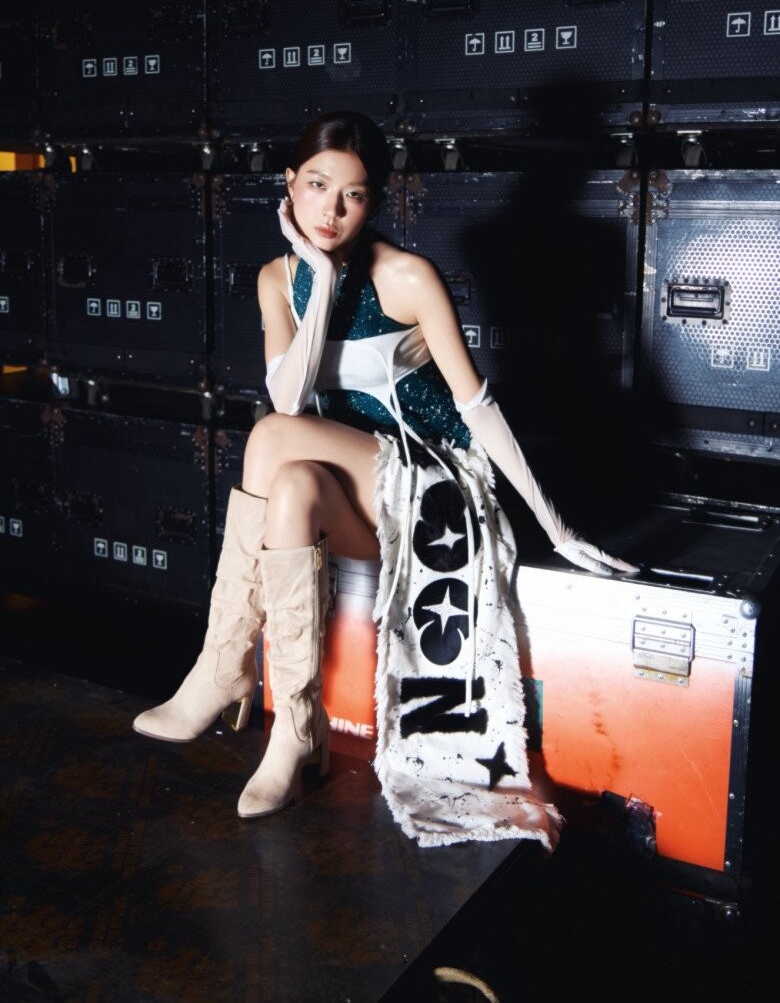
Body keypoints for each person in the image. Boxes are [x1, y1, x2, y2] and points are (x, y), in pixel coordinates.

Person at [133, 110, 637, 848]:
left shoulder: (407, 276)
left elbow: (477, 407)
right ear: (288, 185)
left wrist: (555, 527)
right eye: (316, 186)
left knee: (271, 440)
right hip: (358, 494)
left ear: (374, 202)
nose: (331, 211)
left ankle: (223, 664)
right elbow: (290, 398)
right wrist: (319, 278)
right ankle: (297, 733)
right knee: (292, 482)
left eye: (354, 195)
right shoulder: (276, 280)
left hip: (436, 487)